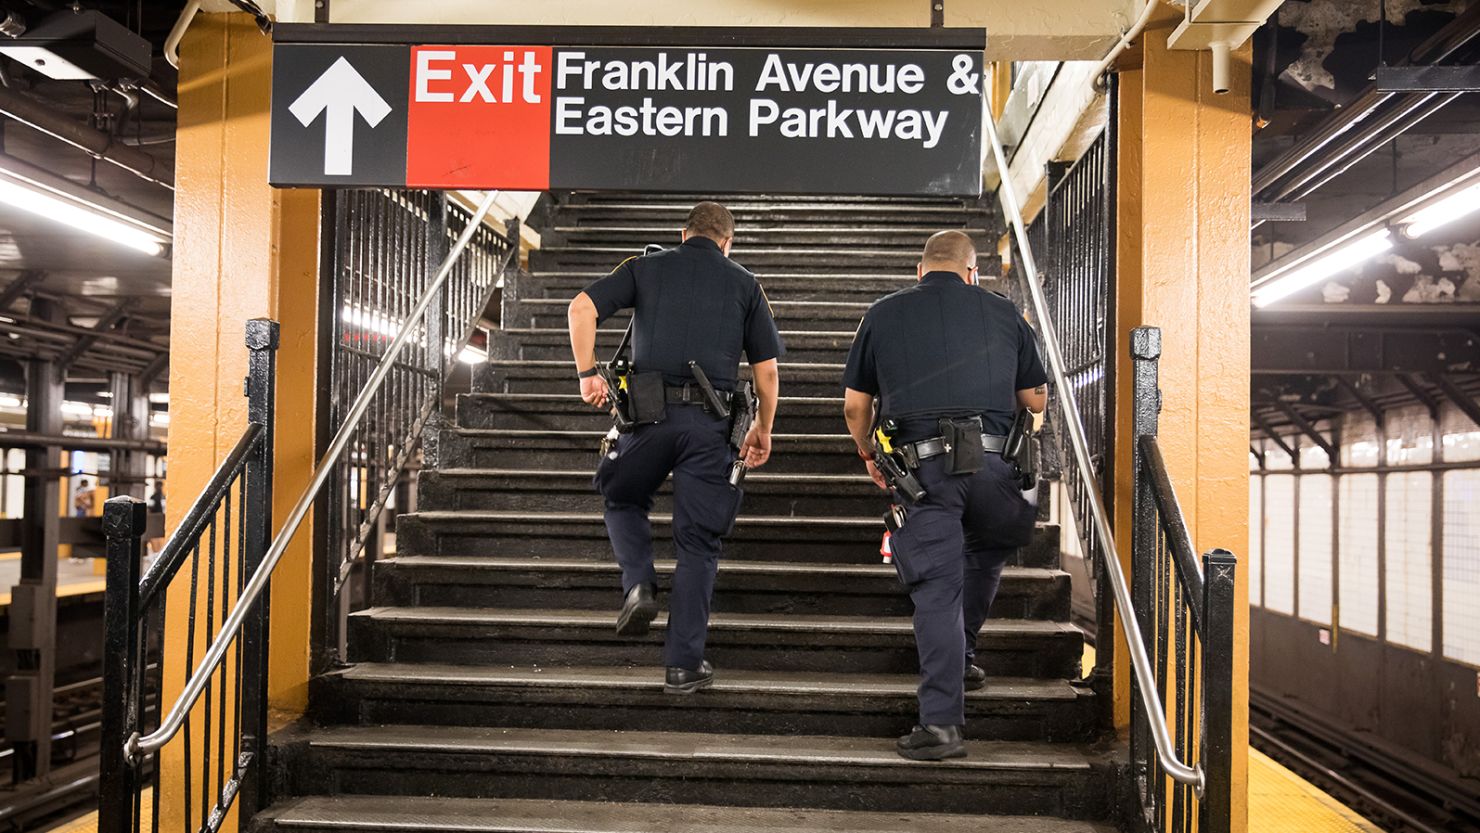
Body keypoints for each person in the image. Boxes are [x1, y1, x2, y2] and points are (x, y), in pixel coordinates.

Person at [842, 230, 1047, 761]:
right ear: (973, 271)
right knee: (988, 550)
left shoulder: (881, 314)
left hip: (922, 470)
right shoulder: (1007, 314)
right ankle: (967, 650)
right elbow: (1035, 396)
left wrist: (869, 454)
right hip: (995, 466)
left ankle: (941, 726)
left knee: (936, 587)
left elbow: (854, 407)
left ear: (920, 269)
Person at [567, 201, 783, 695]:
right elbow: (767, 372)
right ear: (728, 242)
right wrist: (764, 429)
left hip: (645, 420)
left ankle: (639, 584)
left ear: (682, 233)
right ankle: (683, 666)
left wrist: (586, 374)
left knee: (621, 496)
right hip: (711, 428)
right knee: (699, 545)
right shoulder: (746, 284)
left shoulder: (644, 266)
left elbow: (581, 307)